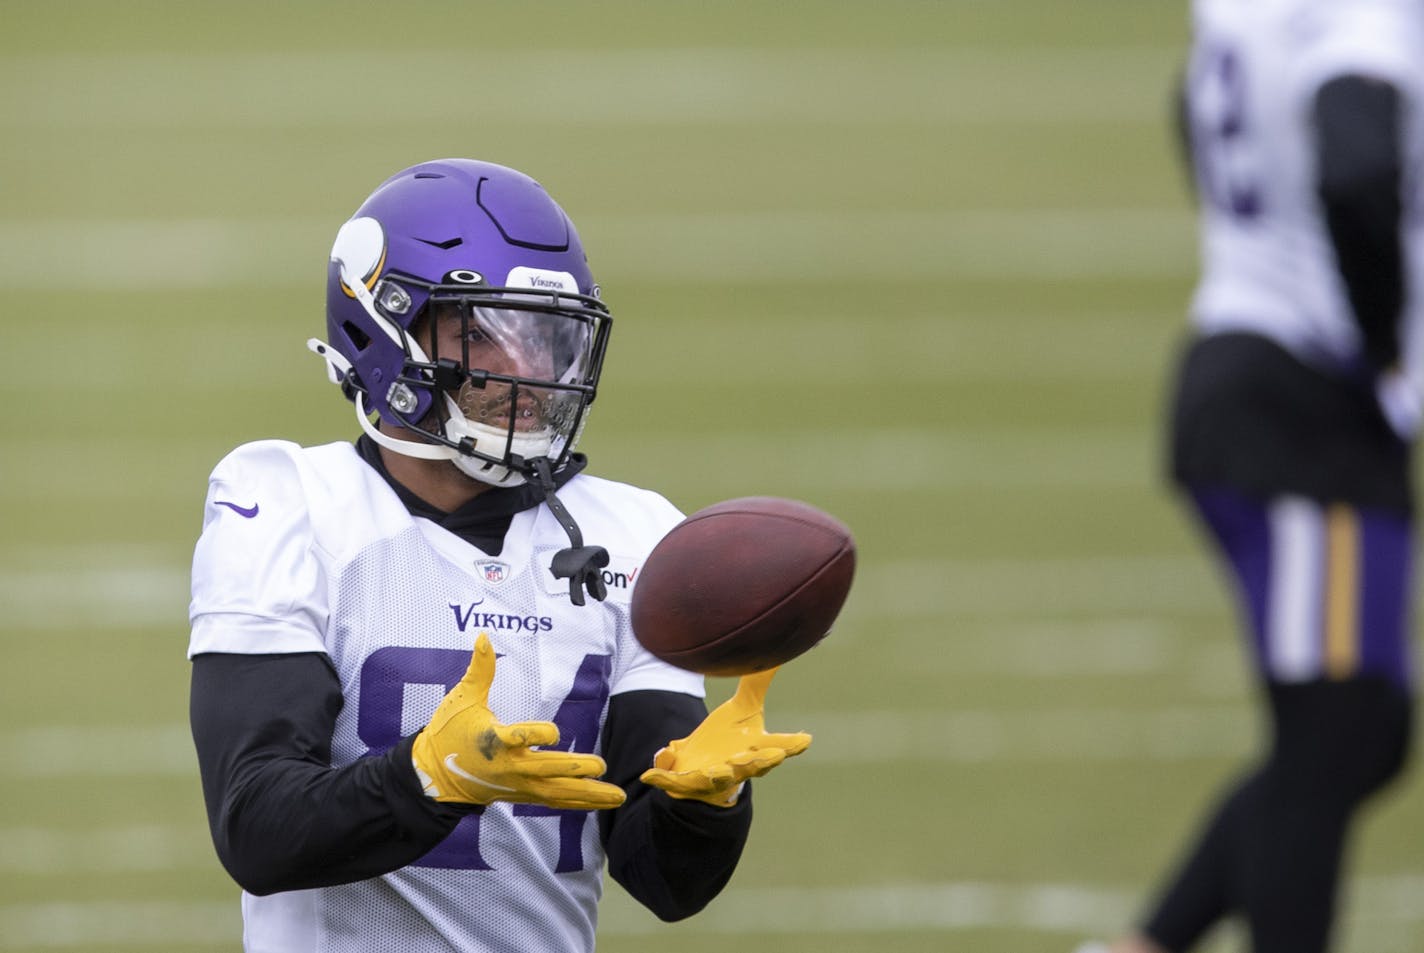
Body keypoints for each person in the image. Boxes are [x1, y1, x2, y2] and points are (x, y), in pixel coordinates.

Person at [187, 158, 812, 953]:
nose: (529, 372)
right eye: (485, 332)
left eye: (548, 338)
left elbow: (666, 880)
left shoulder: (633, 532)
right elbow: (257, 828)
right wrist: (426, 778)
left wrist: (704, 804)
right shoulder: (288, 502)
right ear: (385, 329)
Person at [1082, 2, 1424, 952]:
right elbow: (1359, 162)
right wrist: (1385, 343)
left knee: (1363, 729)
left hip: (1263, 370)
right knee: (1338, 726)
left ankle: (1143, 944)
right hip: (1306, 398)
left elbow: (1192, 110)